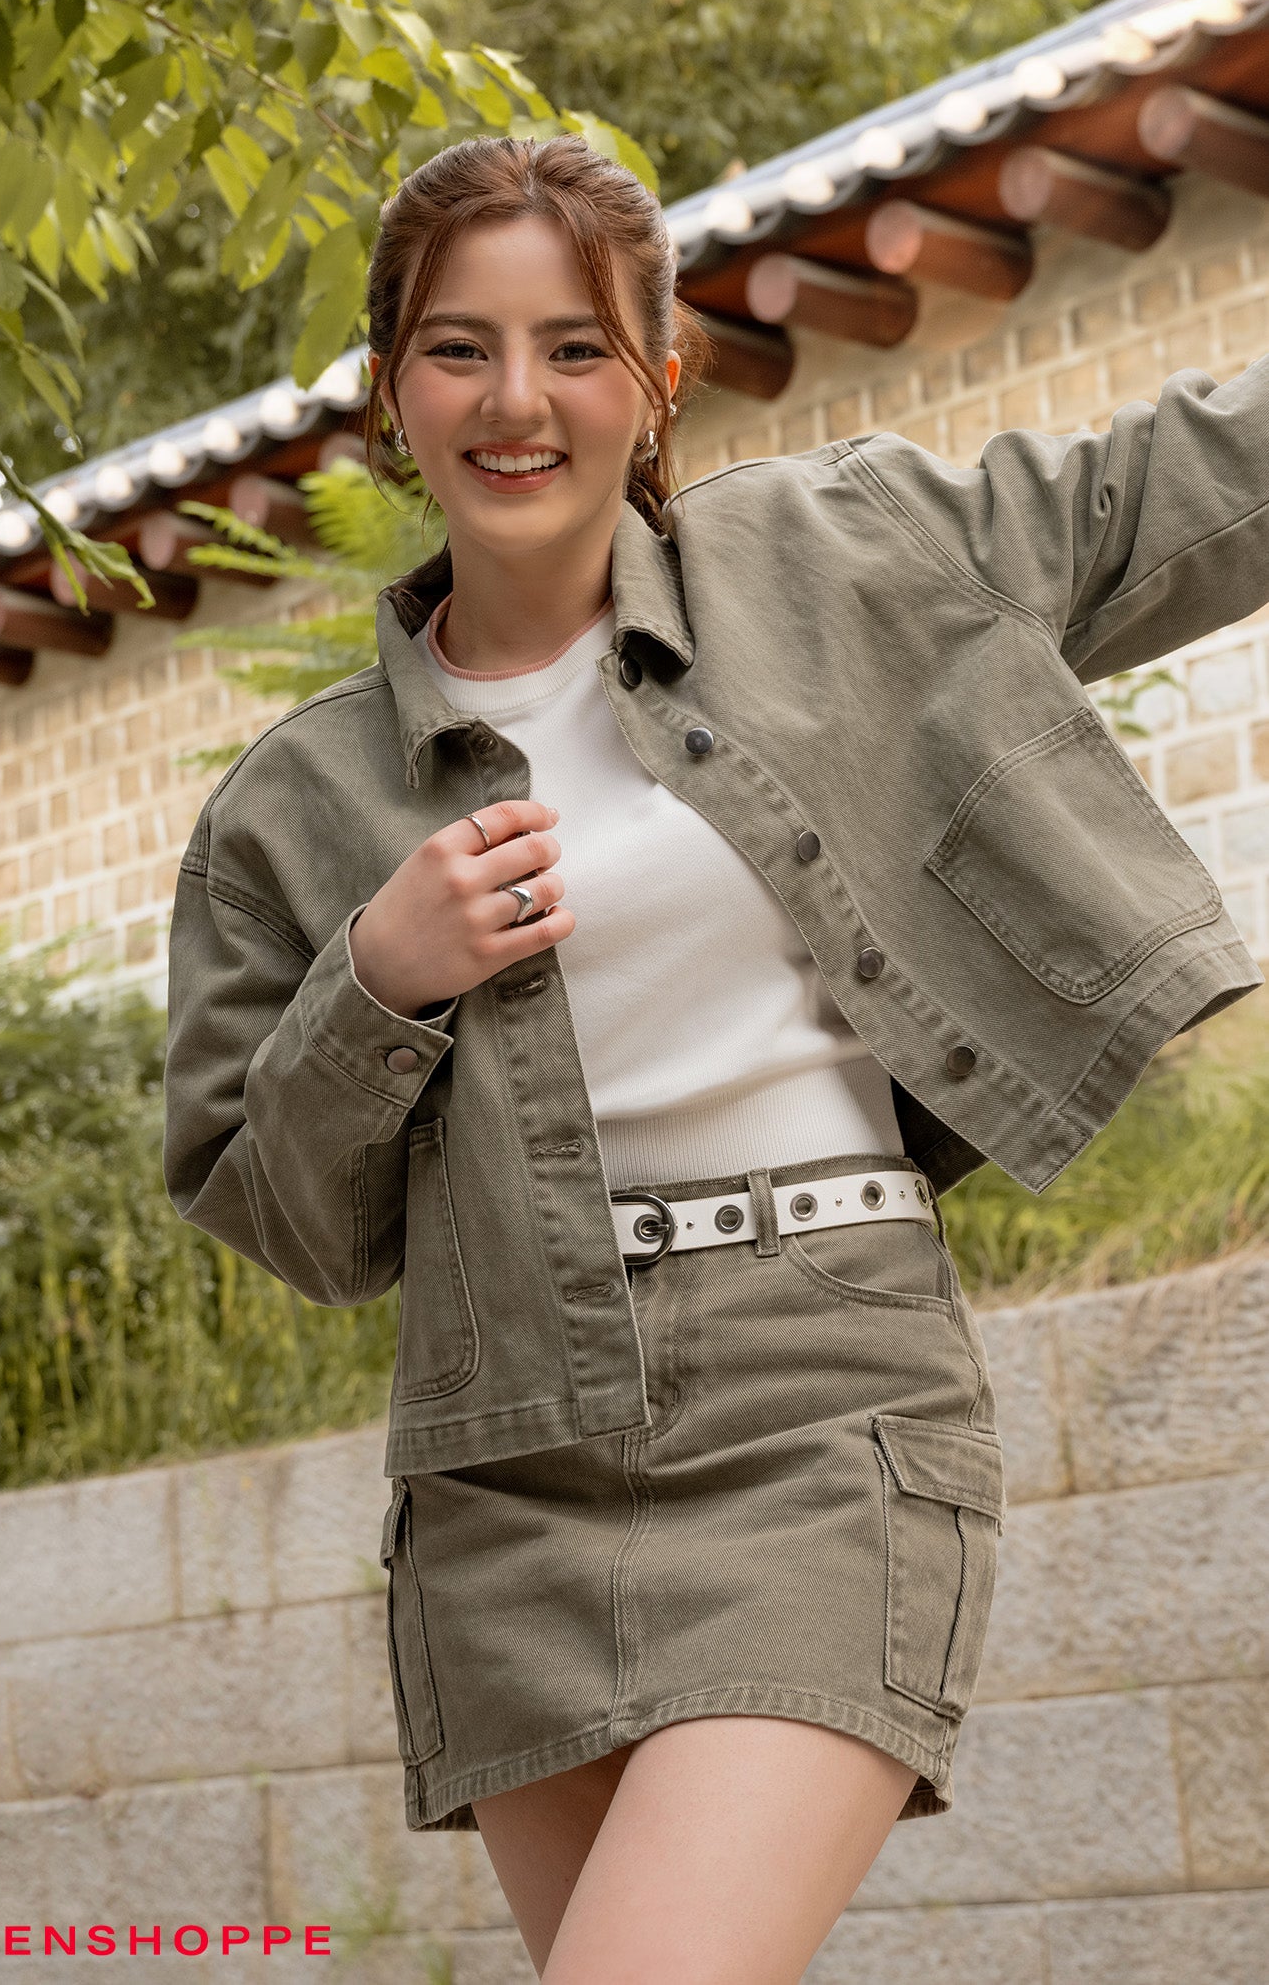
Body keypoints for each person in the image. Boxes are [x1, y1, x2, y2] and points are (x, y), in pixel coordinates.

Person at [163, 134, 1267, 1983]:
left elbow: (1181, 489)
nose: (520, 401)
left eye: (577, 349)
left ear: (656, 386)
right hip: (503, 1462)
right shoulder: (289, 812)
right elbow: (281, 1216)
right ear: (390, 394)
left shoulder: (840, 558)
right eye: (460, 348)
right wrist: (377, 978)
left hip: (821, 1402)